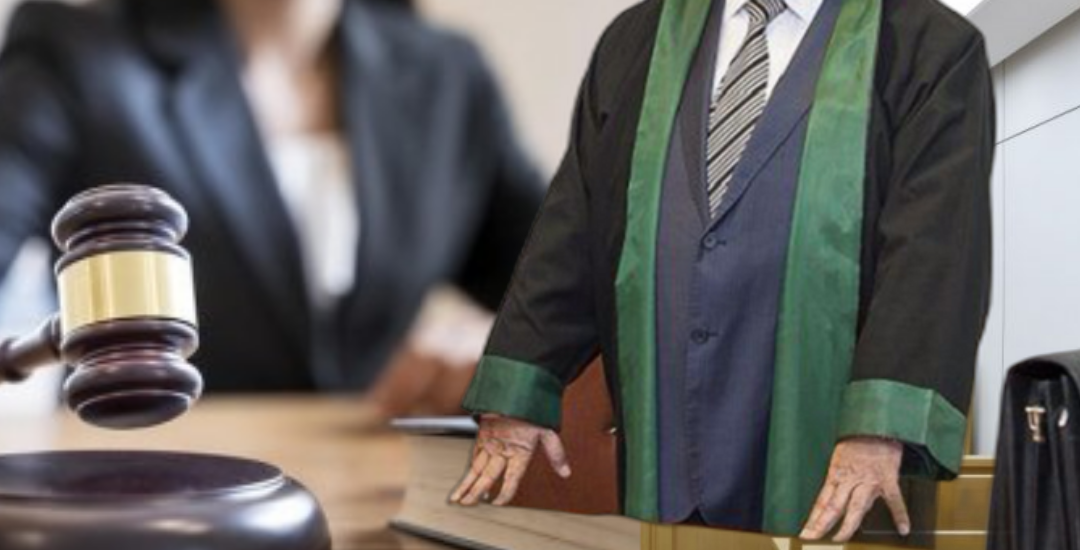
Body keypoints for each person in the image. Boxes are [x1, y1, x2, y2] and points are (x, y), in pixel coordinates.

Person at [452, 0, 994, 542]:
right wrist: (518, 391)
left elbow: (936, 250)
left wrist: (879, 431)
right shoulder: (639, 39)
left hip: (833, 462)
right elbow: (575, 219)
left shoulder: (930, 47)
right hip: (665, 448)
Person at [0, 0, 543, 393]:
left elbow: (563, 292)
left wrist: (503, 347)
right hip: (149, 477)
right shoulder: (71, 53)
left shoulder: (449, 76)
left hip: (381, 482)